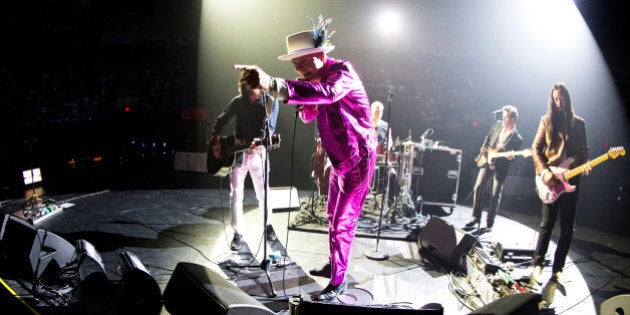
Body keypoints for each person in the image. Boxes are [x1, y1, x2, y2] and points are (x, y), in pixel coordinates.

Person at [235, 16, 377, 301]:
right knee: (331, 216)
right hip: (338, 160)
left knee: (343, 222)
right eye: (294, 64)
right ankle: (335, 263)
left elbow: (329, 94)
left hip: (358, 160)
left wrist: (276, 84)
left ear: (321, 55)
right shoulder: (314, 79)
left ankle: (339, 281)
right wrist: (299, 99)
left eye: (302, 61)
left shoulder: (342, 72)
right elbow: (310, 112)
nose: (297, 68)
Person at [211, 73, 279, 251]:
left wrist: (261, 141)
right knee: (236, 194)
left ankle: (268, 225)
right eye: (248, 83)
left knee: (263, 192)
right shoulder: (238, 101)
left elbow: (270, 130)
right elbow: (221, 119)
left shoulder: (270, 102)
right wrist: (216, 141)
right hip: (238, 153)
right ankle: (238, 233)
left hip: (259, 153)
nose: (251, 87)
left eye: (254, 83)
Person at [530, 82, 591, 284]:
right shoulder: (546, 121)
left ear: (568, 98)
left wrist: (587, 164)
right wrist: (545, 173)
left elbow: (583, 152)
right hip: (551, 179)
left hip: (572, 180)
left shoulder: (579, 124)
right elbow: (535, 148)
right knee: (547, 224)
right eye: (556, 99)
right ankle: (538, 265)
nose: (559, 102)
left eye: (562, 98)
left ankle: (558, 269)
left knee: (567, 228)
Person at [465, 105, 523, 232]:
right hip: (488, 161)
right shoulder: (497, 125)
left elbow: (514, 157)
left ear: (513, 119)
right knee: (478, 187)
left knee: (495, 194)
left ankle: (489, 223)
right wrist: (483, 150)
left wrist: (510, 157)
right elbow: (488, 138)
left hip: (501, 166)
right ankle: (475, 217)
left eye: (507, 118)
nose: (504, 120)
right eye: (503, 117)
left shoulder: (517, 138)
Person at [370, 101, 399, 207]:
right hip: (368, 155)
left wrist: (389, 147)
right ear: (371, 110)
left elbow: (390, 140)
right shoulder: (366, 122)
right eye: (377, 111)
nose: (379, 113)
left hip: (382, 155)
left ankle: (389, 200)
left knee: (392, 174)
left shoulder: (385, 125)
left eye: (381, 111)